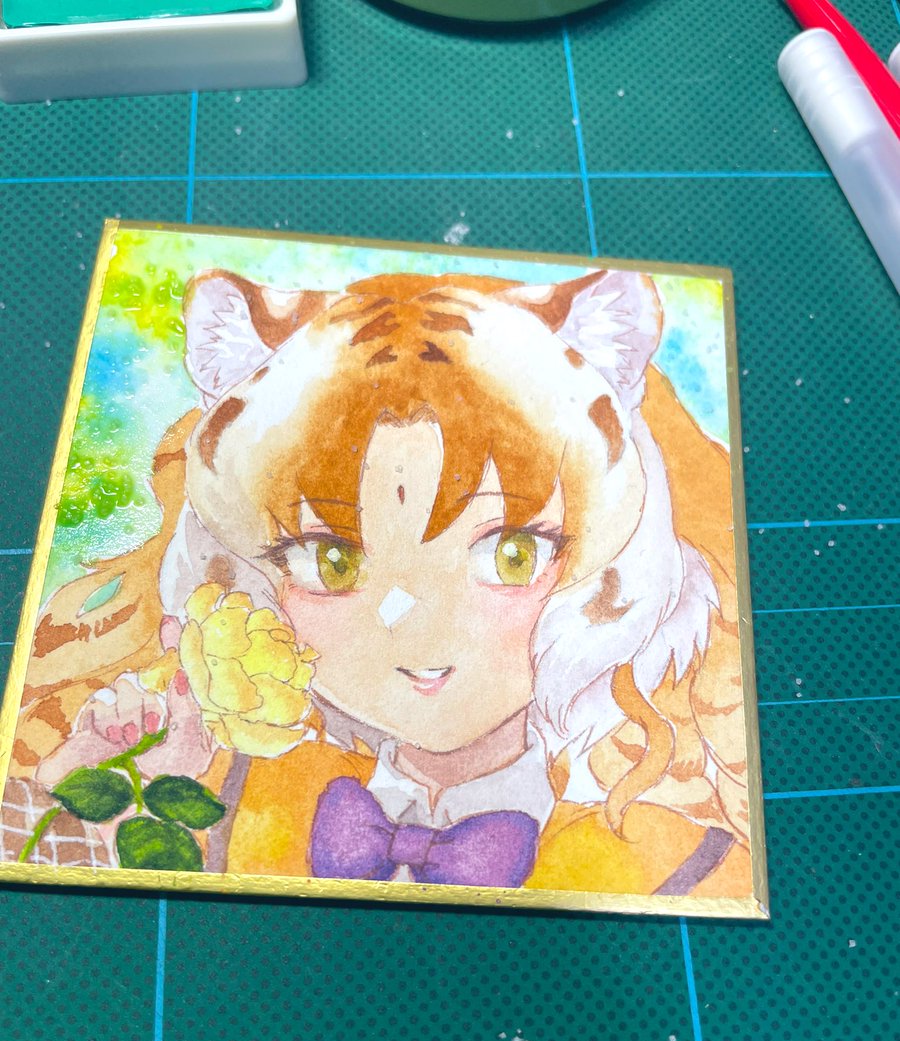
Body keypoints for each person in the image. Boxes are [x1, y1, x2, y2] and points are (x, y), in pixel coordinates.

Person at [7, 264, 752, 898]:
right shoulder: (227, 800)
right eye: (333, 562)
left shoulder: (684, 863)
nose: (421, 635)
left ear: (600, 576)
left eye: (511, 556)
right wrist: (86, 796)